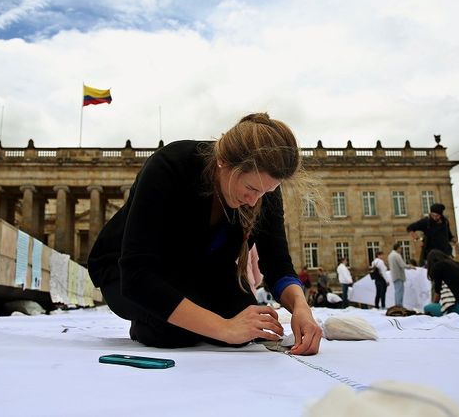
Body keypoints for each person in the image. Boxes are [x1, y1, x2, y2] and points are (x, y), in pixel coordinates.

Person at [87, 113, 322, 355]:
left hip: (201, 271)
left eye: (266, 191)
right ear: (223, 161)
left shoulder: (263, 189)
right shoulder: (170, 165)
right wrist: (223, 327)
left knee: (251, 325)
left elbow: (278, 264)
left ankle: (184, 315)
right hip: (127, 272)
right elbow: (137, 275)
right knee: (175, 331)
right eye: (250, 188)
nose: (254, 202)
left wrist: (301, 307)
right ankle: (151, 323)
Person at [388, 242, 407, 308]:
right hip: (399, 275)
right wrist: (410, 266)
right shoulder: (397, 255)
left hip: (394, 275)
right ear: (398, 248)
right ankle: (399, 305)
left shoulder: (390, 255)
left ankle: (397, 304)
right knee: (400, 291)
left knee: (397, 291)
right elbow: (402, 265)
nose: (401, 250)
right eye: (400, 248)